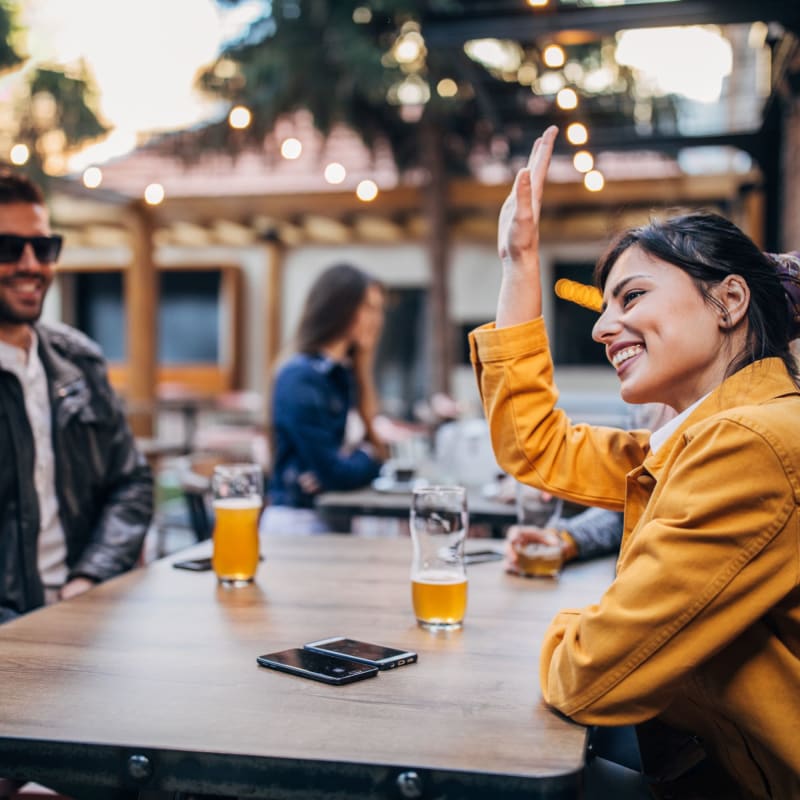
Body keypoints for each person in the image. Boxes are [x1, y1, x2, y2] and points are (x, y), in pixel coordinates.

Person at [470, 125, 800, 796]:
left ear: (730, 301)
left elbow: (587, 676)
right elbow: (538, 445)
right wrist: (519, 262)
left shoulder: (750, 447)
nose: (600, 326)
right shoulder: (705, 437)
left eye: (633, 296)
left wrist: (581, 620)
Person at [0, 171, 153, 618]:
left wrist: (90, 578)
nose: (31, 264)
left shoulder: (79, 360)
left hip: (84, 619)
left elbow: (132, 483)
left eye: (44, 248)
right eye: (8, 248)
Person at [261, 263, 387, 534]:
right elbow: (335, 471)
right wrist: (368, 456)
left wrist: (350, 463)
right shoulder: (300, 376)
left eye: (379, 310)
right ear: (339, 308)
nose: (377, 319)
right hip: (298, 523)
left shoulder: (344, 374)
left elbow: (336, 470)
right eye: (369, 308)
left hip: (329, 517)